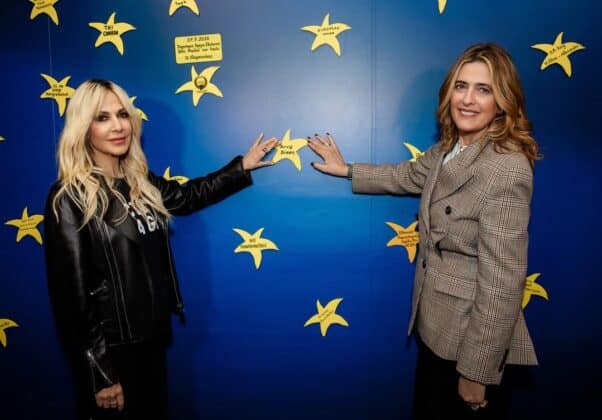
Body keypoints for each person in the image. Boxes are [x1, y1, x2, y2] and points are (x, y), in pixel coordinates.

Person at [307, 43, 539, 419]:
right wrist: (347, 169)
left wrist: (476, 372)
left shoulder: (506, 167)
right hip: (436, 329)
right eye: (461, 86)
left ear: (502, 102)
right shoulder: (450, 148)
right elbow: (407, 175)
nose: (468, 99)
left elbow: (502, 282)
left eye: (483, 89)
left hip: (470, 343)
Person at [44, 79, 278, 419]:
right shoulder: (69, 197)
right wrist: (101, 372)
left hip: (152, 340)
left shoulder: (139, 181)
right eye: (102, 117)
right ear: (83, 127)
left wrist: (240, 167)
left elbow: (186, 197)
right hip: (113, 352)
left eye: (122, 114)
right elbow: (71, 299)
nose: (118, 126)